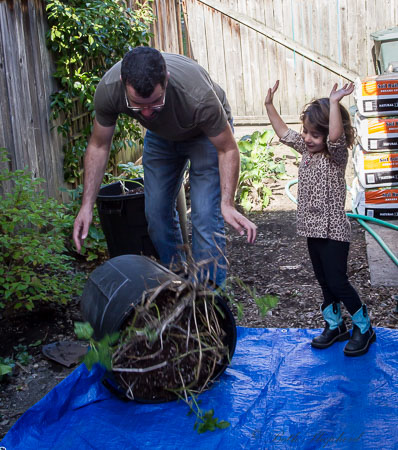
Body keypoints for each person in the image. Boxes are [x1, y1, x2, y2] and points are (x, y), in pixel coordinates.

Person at [73, 46, 257, 287]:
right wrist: (86, 206)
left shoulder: (197, 95)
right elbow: (98, 146)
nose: (147, 113)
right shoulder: (109, 89)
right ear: (123, 83)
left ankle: (209, 301)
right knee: (156, 214)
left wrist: (227, 203)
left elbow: (227, 148)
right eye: (139, 105)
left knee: (205, 216)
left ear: (166, 79)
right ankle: (178, 283)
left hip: (205, 136)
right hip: (161, 137)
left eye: (156, 102)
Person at [264, 80, 376, 357]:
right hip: (312, 230)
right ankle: (335, 324)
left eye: (315, 134)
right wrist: (269, 105)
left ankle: (363, 326)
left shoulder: (336, 155)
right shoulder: (306, 151)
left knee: (338, 281)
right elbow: (283, 133)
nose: (307, 138)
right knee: (324, 281)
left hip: (334, 231)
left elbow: (336, 136)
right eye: (306, 132)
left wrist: (334, 102)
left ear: (327, 135)